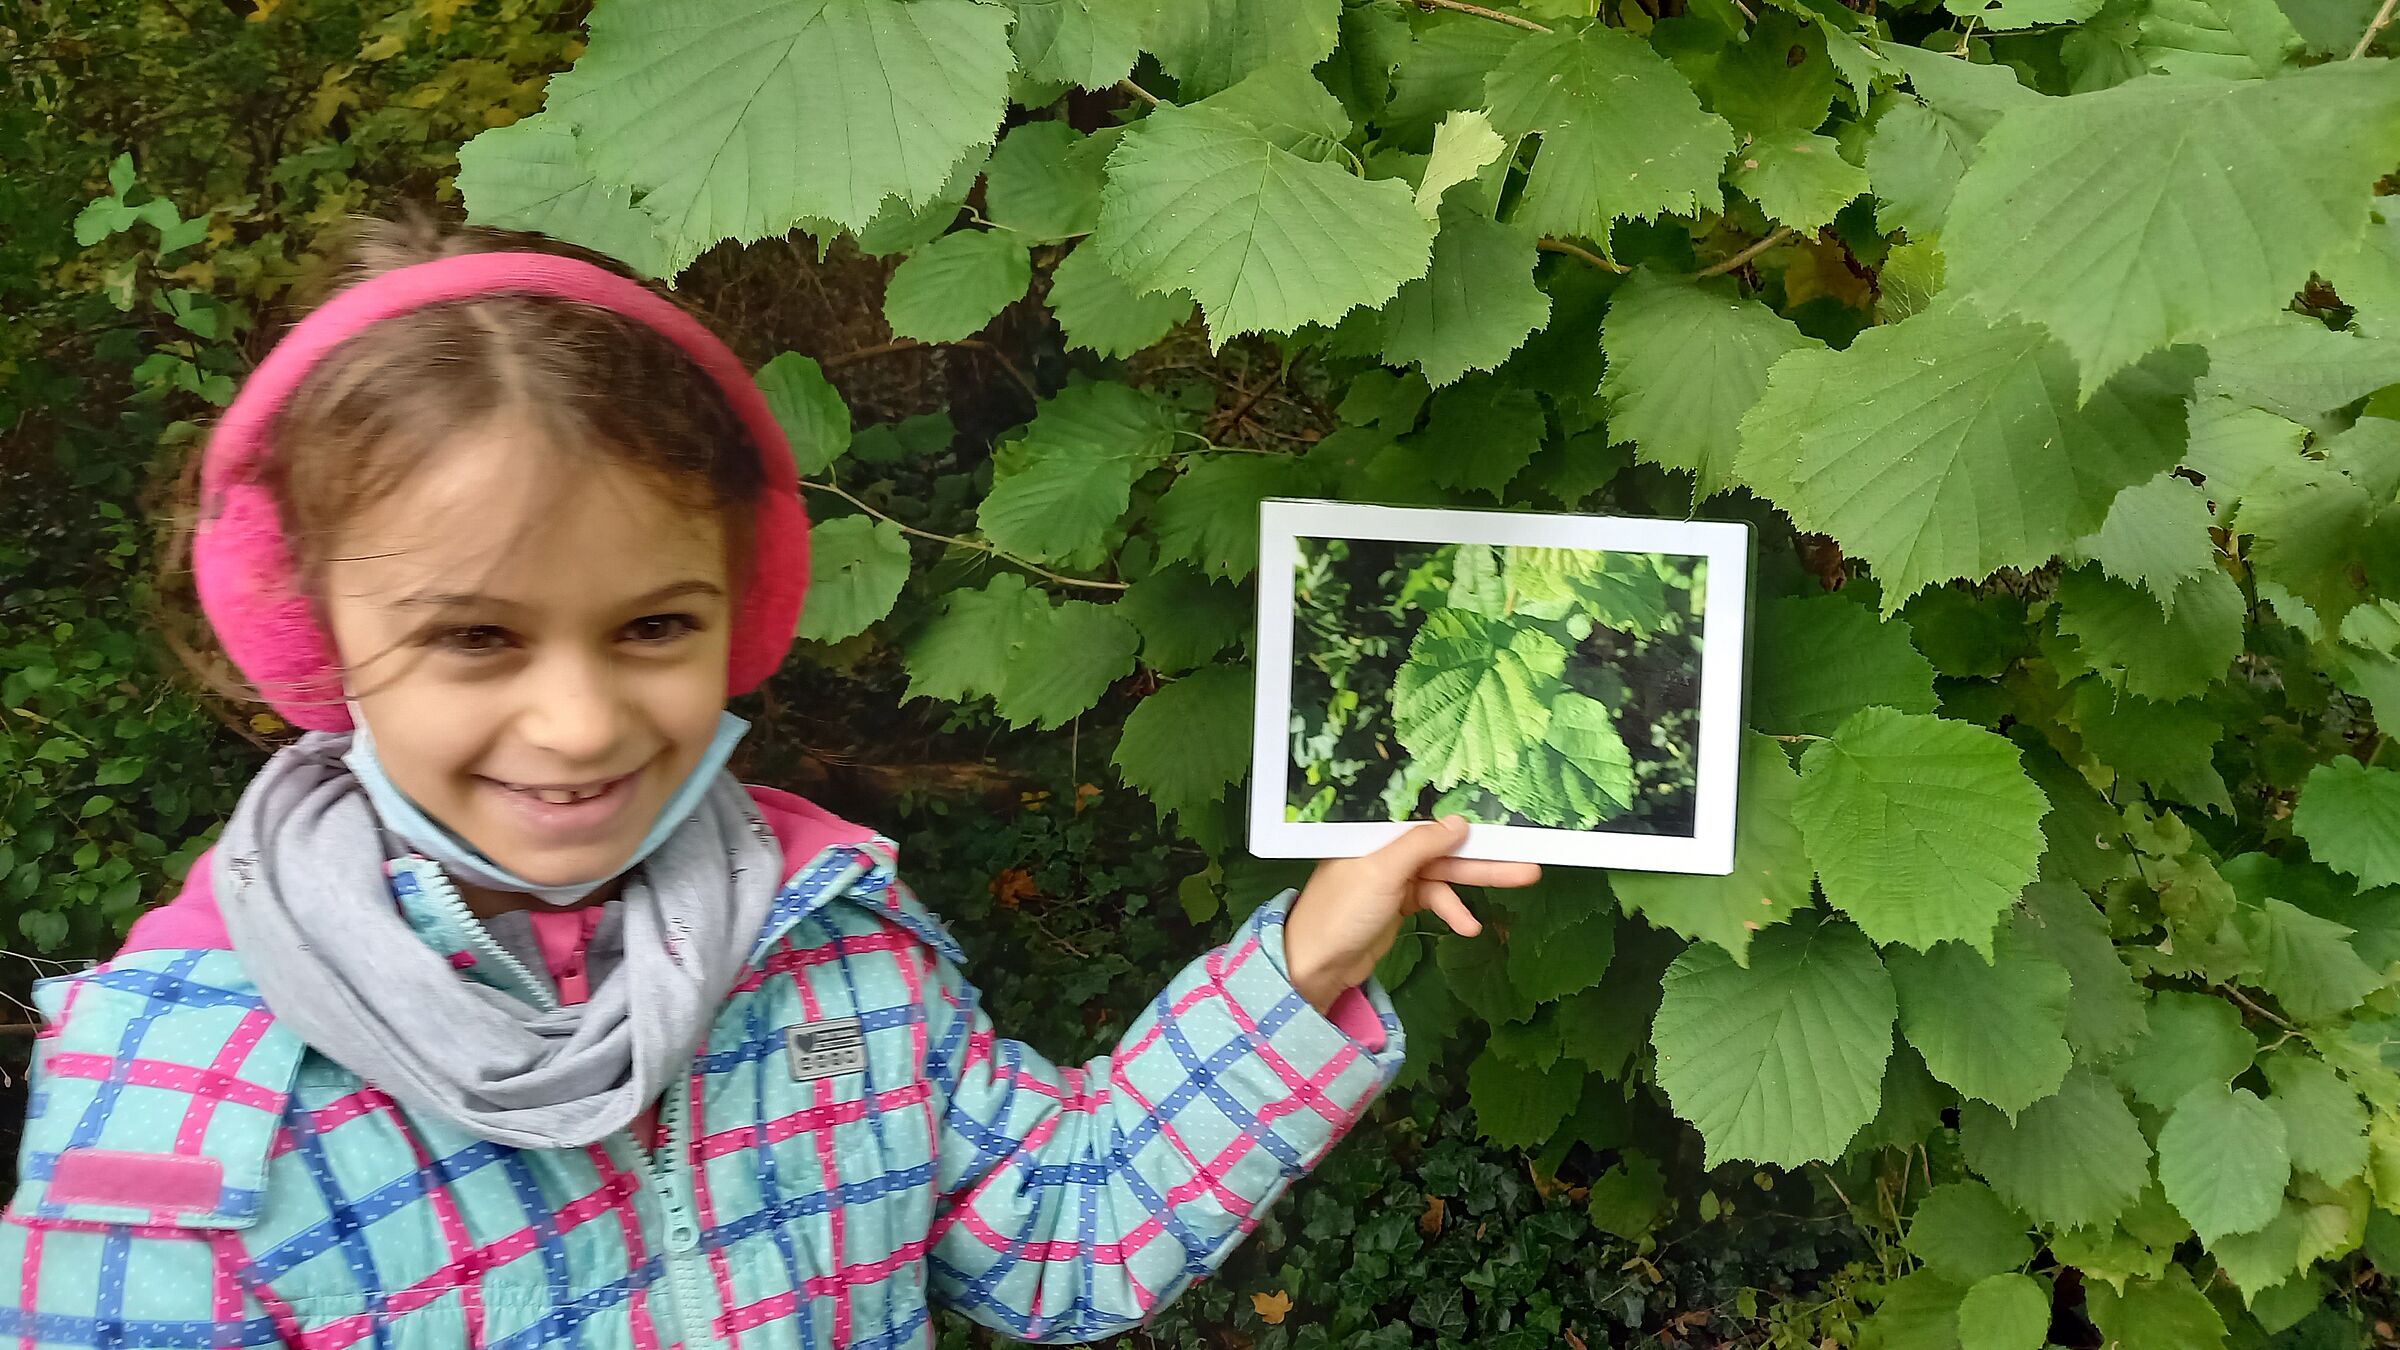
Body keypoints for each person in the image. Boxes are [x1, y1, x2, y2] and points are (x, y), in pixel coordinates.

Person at [0, 216, 1537, 1348]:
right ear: (309, 625)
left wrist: (1311, 954)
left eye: (653, 626)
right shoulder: (182, 1117)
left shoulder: (828, 946)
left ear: (743, 605)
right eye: (474, 636)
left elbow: (1059, 1231)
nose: (583, 721)